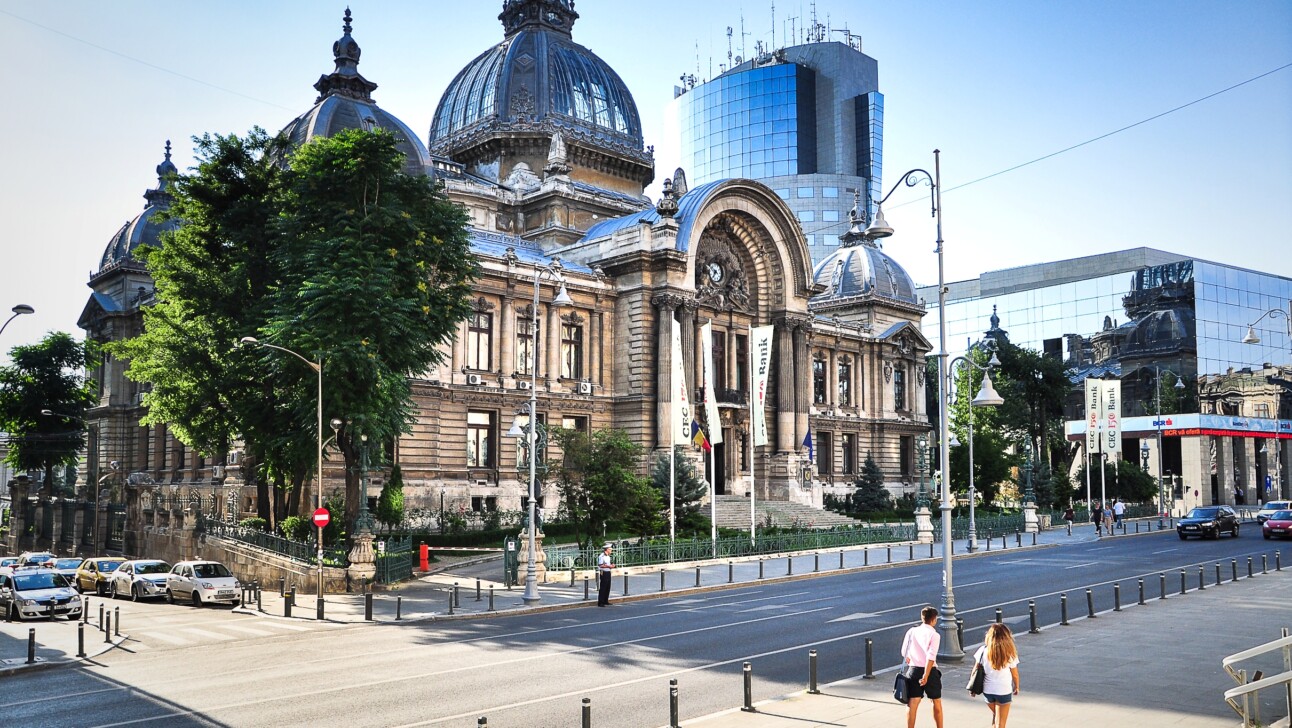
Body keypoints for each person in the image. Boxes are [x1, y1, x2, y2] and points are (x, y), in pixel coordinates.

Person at [900, 606, 943, 728]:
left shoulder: (912, 631)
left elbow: (904, 651)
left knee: (913, 702)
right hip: (930, 671)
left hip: (913, 670)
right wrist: (926, 674)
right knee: (936, 701)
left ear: (922, 618)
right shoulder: (934, 635)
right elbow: (931, 656)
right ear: (934, 619)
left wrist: (910, 659)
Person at [972, 623, 1021, 728]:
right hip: (1004, 690)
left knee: (996, 718)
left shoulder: (982, 650)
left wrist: (972, 688)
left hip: (988, 691)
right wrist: (1016, 686)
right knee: (1000, 724)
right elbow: (1015, 674)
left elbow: (975, 670)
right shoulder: (1010, 653)